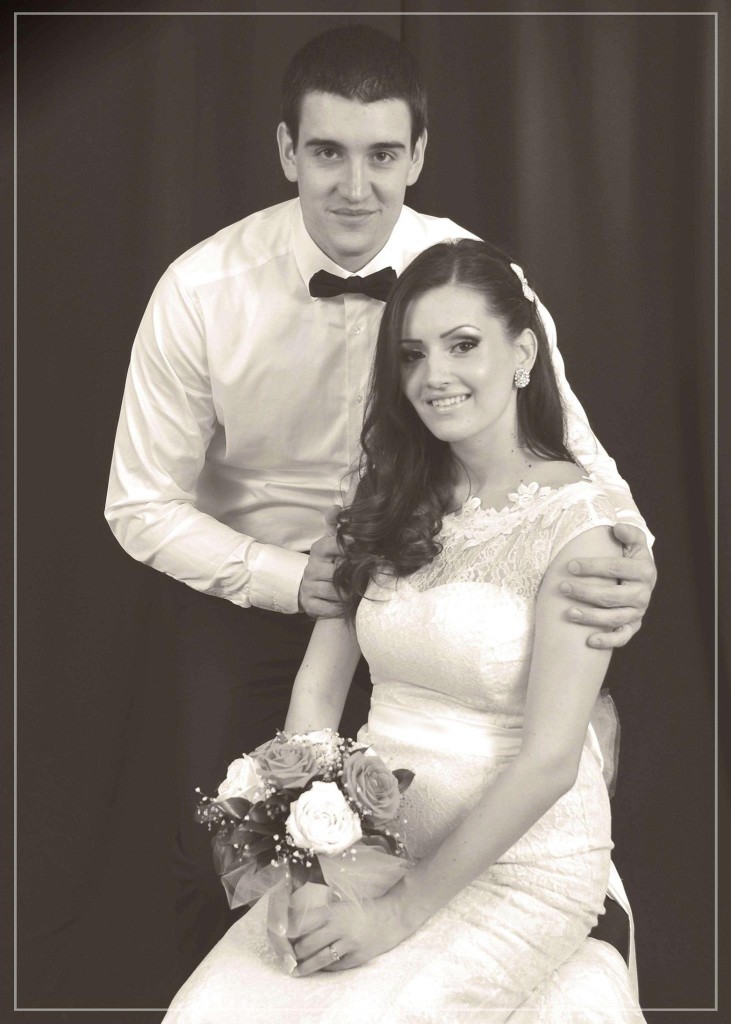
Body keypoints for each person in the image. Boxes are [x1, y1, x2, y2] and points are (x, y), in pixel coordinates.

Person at [104, 25, 656, 977]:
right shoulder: (199, 290)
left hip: (455, 578)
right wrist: (293, 579)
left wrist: (628, 549)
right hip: (264, 593)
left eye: (382, 155)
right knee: (224, 861)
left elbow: (571, 443)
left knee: (514, 786)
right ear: (287, 151)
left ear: (418, 155)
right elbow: (139, 503)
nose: (355, 186)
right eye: (327, 153)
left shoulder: (473, 273)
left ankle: (574, 952)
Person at [162, 239, 648, 1022]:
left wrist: (397, 915)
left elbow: (550, 762)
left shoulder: (580, 529)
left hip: (518, 870)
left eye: (463, 345)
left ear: (523, 355)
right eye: (413, 354)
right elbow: (317, 692)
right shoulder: (385, 502)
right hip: (369, 848)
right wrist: (307, 870)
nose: (433, 376)